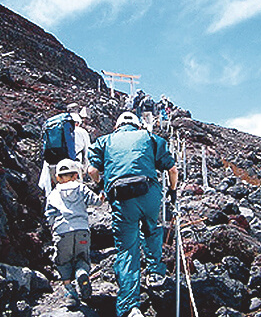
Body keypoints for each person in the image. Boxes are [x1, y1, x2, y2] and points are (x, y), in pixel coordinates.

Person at [88, 112, 178, 317]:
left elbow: (92, 170)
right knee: (152, 230)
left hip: (121, 198)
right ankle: (155, 273)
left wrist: (103, 186)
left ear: (117, 126)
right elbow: (172, 169)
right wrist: (172, 192)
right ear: (137, 126)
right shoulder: (149, 137)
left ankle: (131, 307)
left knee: (127, 249)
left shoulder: (104, 141)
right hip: (149, 193)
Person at [45, 159, 102, 308]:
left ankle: (70, 293)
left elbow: (49, 215)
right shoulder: (81, 188)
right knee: (82, 257)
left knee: (63, 262)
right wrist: (103, 193)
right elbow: (97, 201)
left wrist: (54, 228)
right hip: (82, 230)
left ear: (57, 177)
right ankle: (81, 273)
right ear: (76, 175)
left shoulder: (53, 193)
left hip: (62, 232)